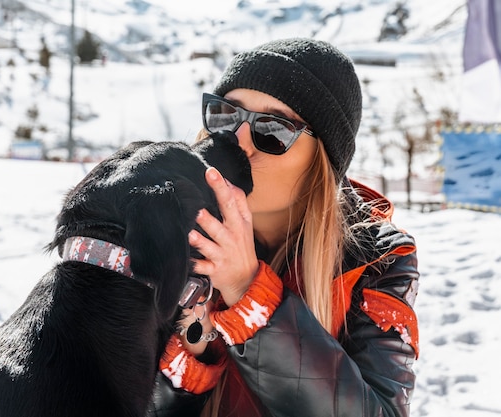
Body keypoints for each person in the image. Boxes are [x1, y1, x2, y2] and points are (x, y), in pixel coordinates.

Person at [147, 38, 420, 417]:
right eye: (226, 116)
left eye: (273, 130)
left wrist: (250, 295)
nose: (238, 142)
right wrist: (192, 355)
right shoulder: (162, 235)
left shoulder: (374, 260)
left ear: (322, 161)